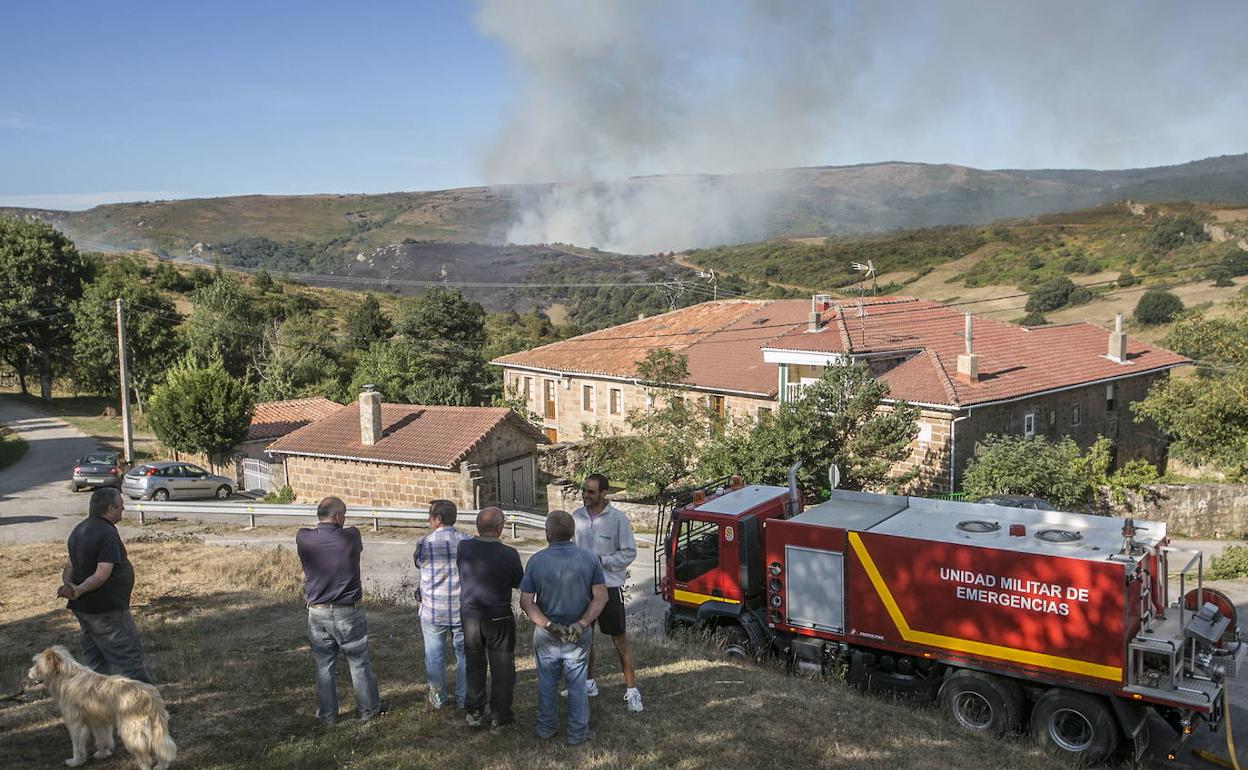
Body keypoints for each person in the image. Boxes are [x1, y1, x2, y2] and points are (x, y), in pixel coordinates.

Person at [520, 510, 608, 746]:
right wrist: (581, 624)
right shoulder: (589, 558)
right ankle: (577, 733)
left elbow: (526, 602)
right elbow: (601, 598)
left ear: (549, 533)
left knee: (547, 683)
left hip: (547, 633)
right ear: (572, 533)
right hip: (577, 632)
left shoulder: (537, 560)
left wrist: (549, 625)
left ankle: (546, 728)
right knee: (577, 684)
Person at [295, 496, 383, 725]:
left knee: (323, 665)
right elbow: (354, 538)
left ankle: (327, 715)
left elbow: (309, 534)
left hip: (318, 612)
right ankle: (368, 710)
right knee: (358, 662)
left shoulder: (303, 538)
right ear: (338, 516)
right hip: (348, 611)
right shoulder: (351, 537)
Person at [57, 487, 152, 683]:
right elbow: (102, 575)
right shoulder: (106, 533)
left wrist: (70, 586)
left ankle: (99, 707)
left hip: (85, 610)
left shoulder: (79, 530)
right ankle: (147, 706)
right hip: (106, 610)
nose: (123, 509)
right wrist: (78, 589)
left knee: (95, 664)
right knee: (127, 661)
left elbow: (70, 566)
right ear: (110, 508)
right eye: (120, 506)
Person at [571, 473, 642, 712]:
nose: (585, 496)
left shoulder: (618, 519)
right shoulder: (577, 517)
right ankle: (588, 683)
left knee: (619, 640)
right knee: (584, 638)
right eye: (584, 491)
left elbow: (629, 553)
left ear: (604, 493)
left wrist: (603, 561)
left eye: (591, 492)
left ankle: (632, 691)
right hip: (582, 588)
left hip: (609, 587)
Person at [456, 506, 524, 733]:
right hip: (499, 615)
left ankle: (474, 711)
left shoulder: (464, 548)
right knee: (502, 667)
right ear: (499, 527)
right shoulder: (509, 554)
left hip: (470, 615)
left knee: (474, 663)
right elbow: (519, 582)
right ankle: (501, 717)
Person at [413, 498, 469, 709]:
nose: (429, 519)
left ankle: (437, 698)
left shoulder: (424, 543)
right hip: (460, 608)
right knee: (464, 655)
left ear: (437, 519)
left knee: (434, 655)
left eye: (430, 516)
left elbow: (418, 562)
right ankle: (464, 698)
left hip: (433, 610)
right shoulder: (466, 541)